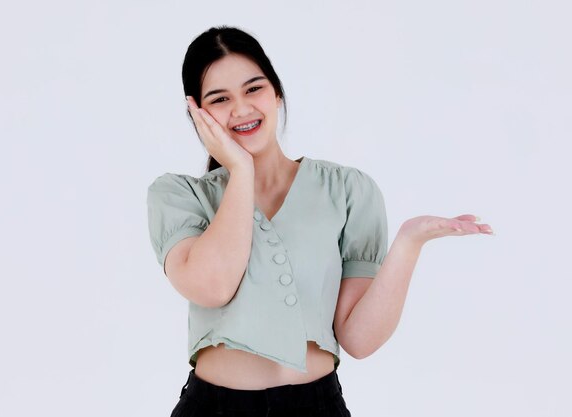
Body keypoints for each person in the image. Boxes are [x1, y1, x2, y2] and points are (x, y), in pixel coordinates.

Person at [147, 25, 494, 417]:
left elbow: (359, 339)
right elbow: (213, 286)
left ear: (277, 93)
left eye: (254, 89)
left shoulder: (347, 190)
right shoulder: (178, 197)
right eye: (220, 99)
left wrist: (409, 242)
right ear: (197, 112)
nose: (241, 109)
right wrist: (241, 171)